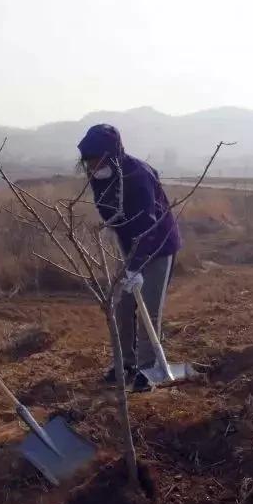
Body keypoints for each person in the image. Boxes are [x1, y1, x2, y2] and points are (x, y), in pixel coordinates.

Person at [78, 124, 182, 392]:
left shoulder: (138, 176)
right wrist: (127, 260)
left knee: (149, 307)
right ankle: (125, 364)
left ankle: (148, 370)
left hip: (158, 246)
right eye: (87, 160)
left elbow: (149, 223)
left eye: (95, 159)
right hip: (129, 248)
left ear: (111, 154)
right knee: (123, 304)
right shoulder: (100, 176)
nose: (90, 165)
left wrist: (136, 268)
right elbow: (112, 215)